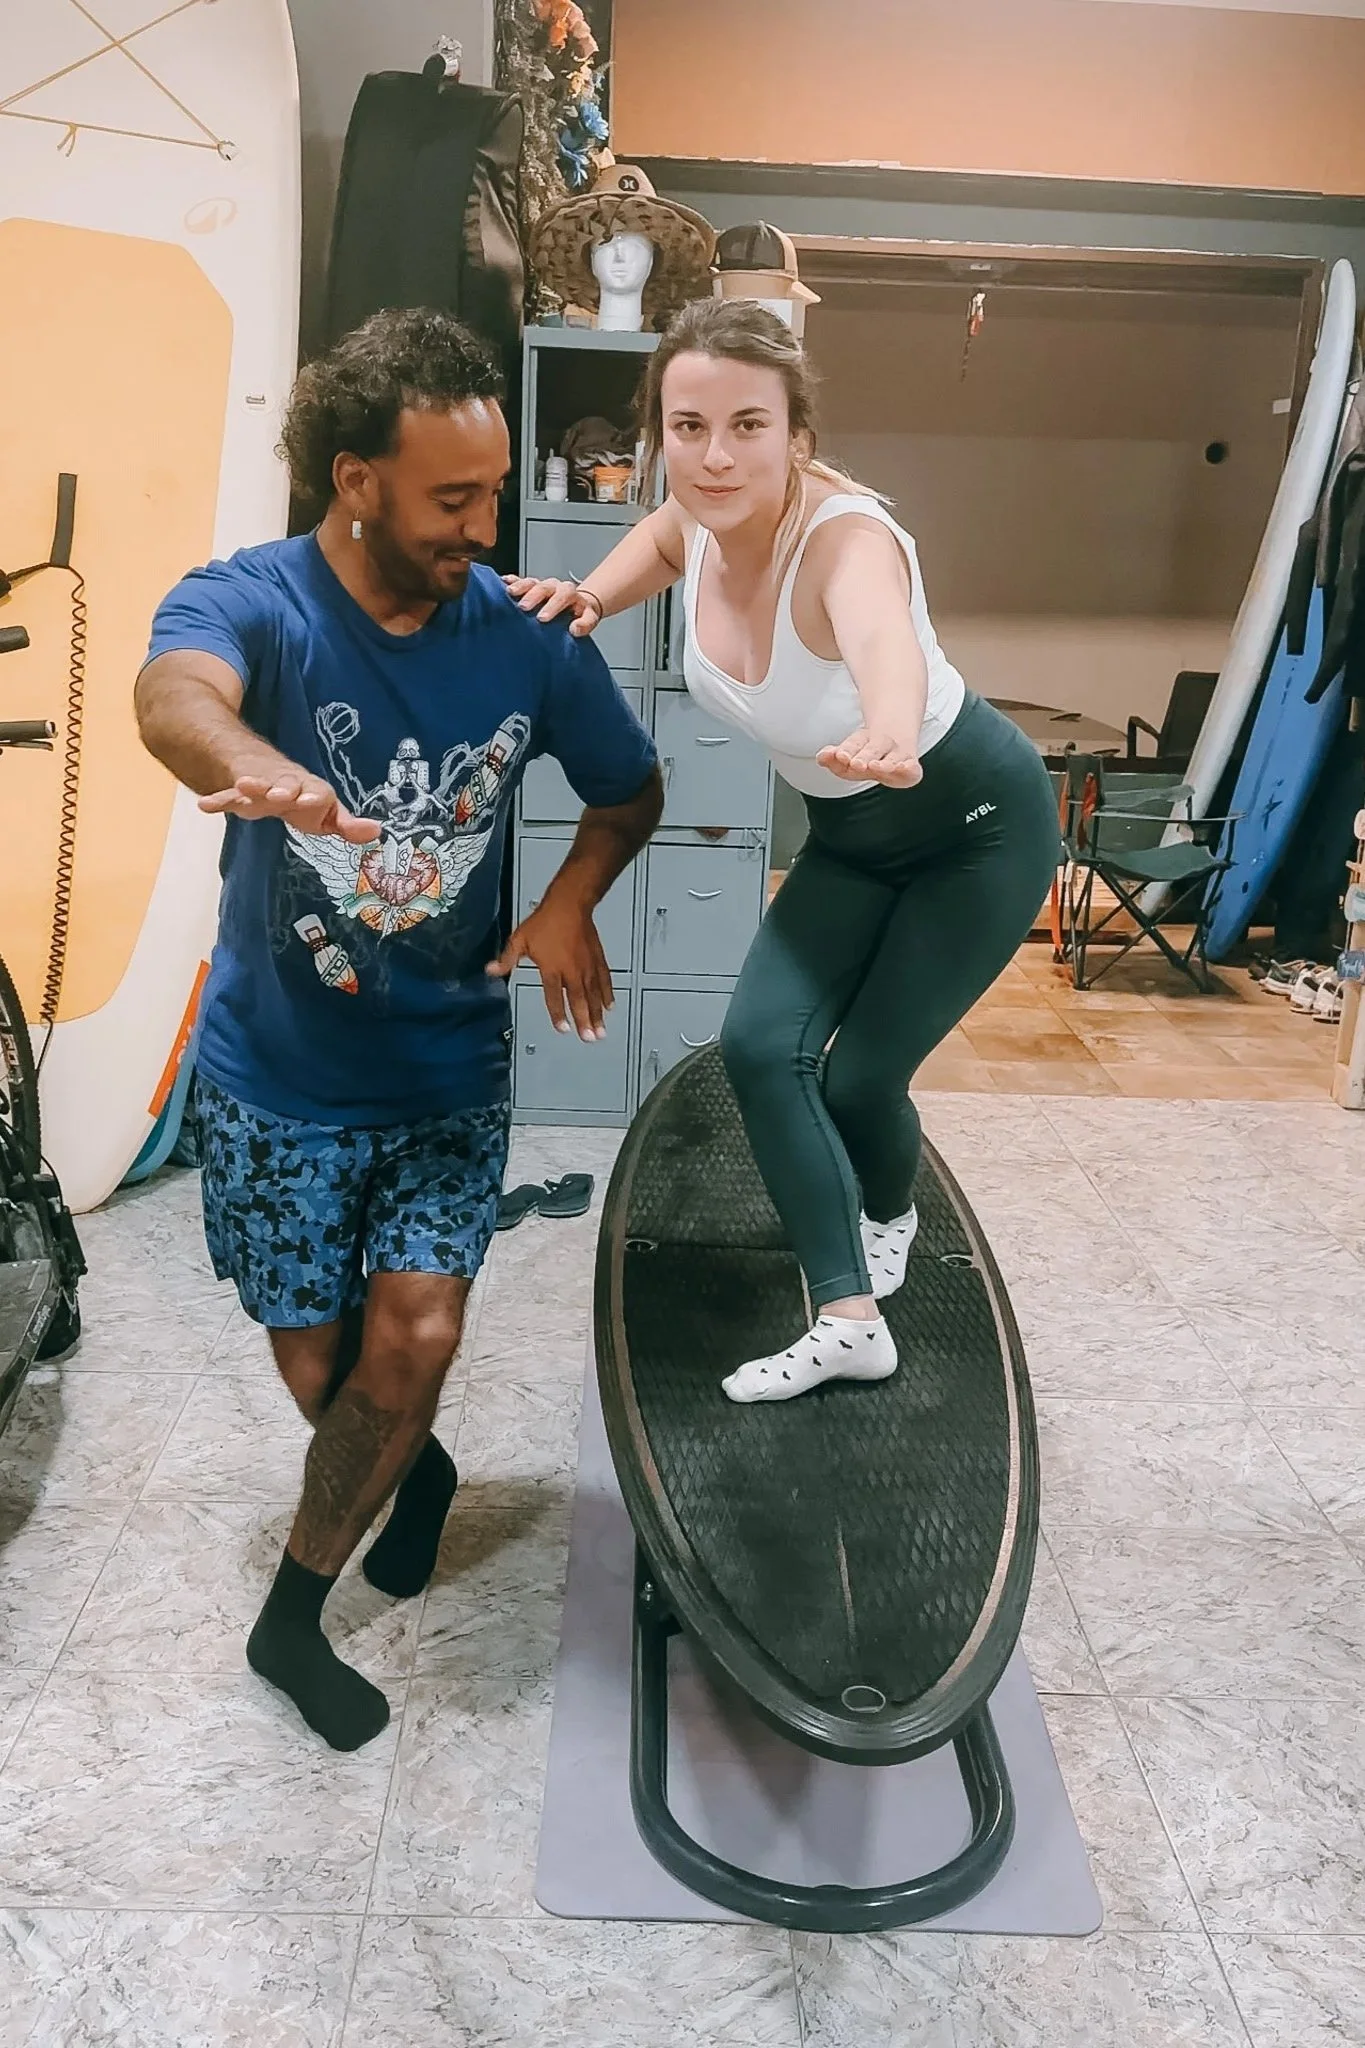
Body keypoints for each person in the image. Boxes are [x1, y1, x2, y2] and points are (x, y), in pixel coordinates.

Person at [135, 308, 662, 1749]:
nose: (486, 528)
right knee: (323, 1362)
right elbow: (172, 694)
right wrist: (259, 768)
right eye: (453, 499)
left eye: (491, 492)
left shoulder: (527, 639)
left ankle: (290, 1619)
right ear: (353, 478)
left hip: (444, 1069)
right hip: (277, 1080)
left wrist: (565, 904)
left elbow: (630, 792)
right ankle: (406, 1475)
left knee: (414, 1336)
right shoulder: (251, 599)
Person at [508, 297, 1059, 1405]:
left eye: (748, 426)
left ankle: (889, 1215)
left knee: (861, 1077)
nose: (715, 455)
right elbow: (663, 539)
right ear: (661, 430)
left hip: (972, 827)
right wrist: (591, 594)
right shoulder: (695, 508)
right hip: (856, 831)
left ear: (797, 436)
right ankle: (851, 1316)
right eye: (689, 424)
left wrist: (892, 724)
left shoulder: (845, 540)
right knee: (762, 1047)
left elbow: (880, 640)